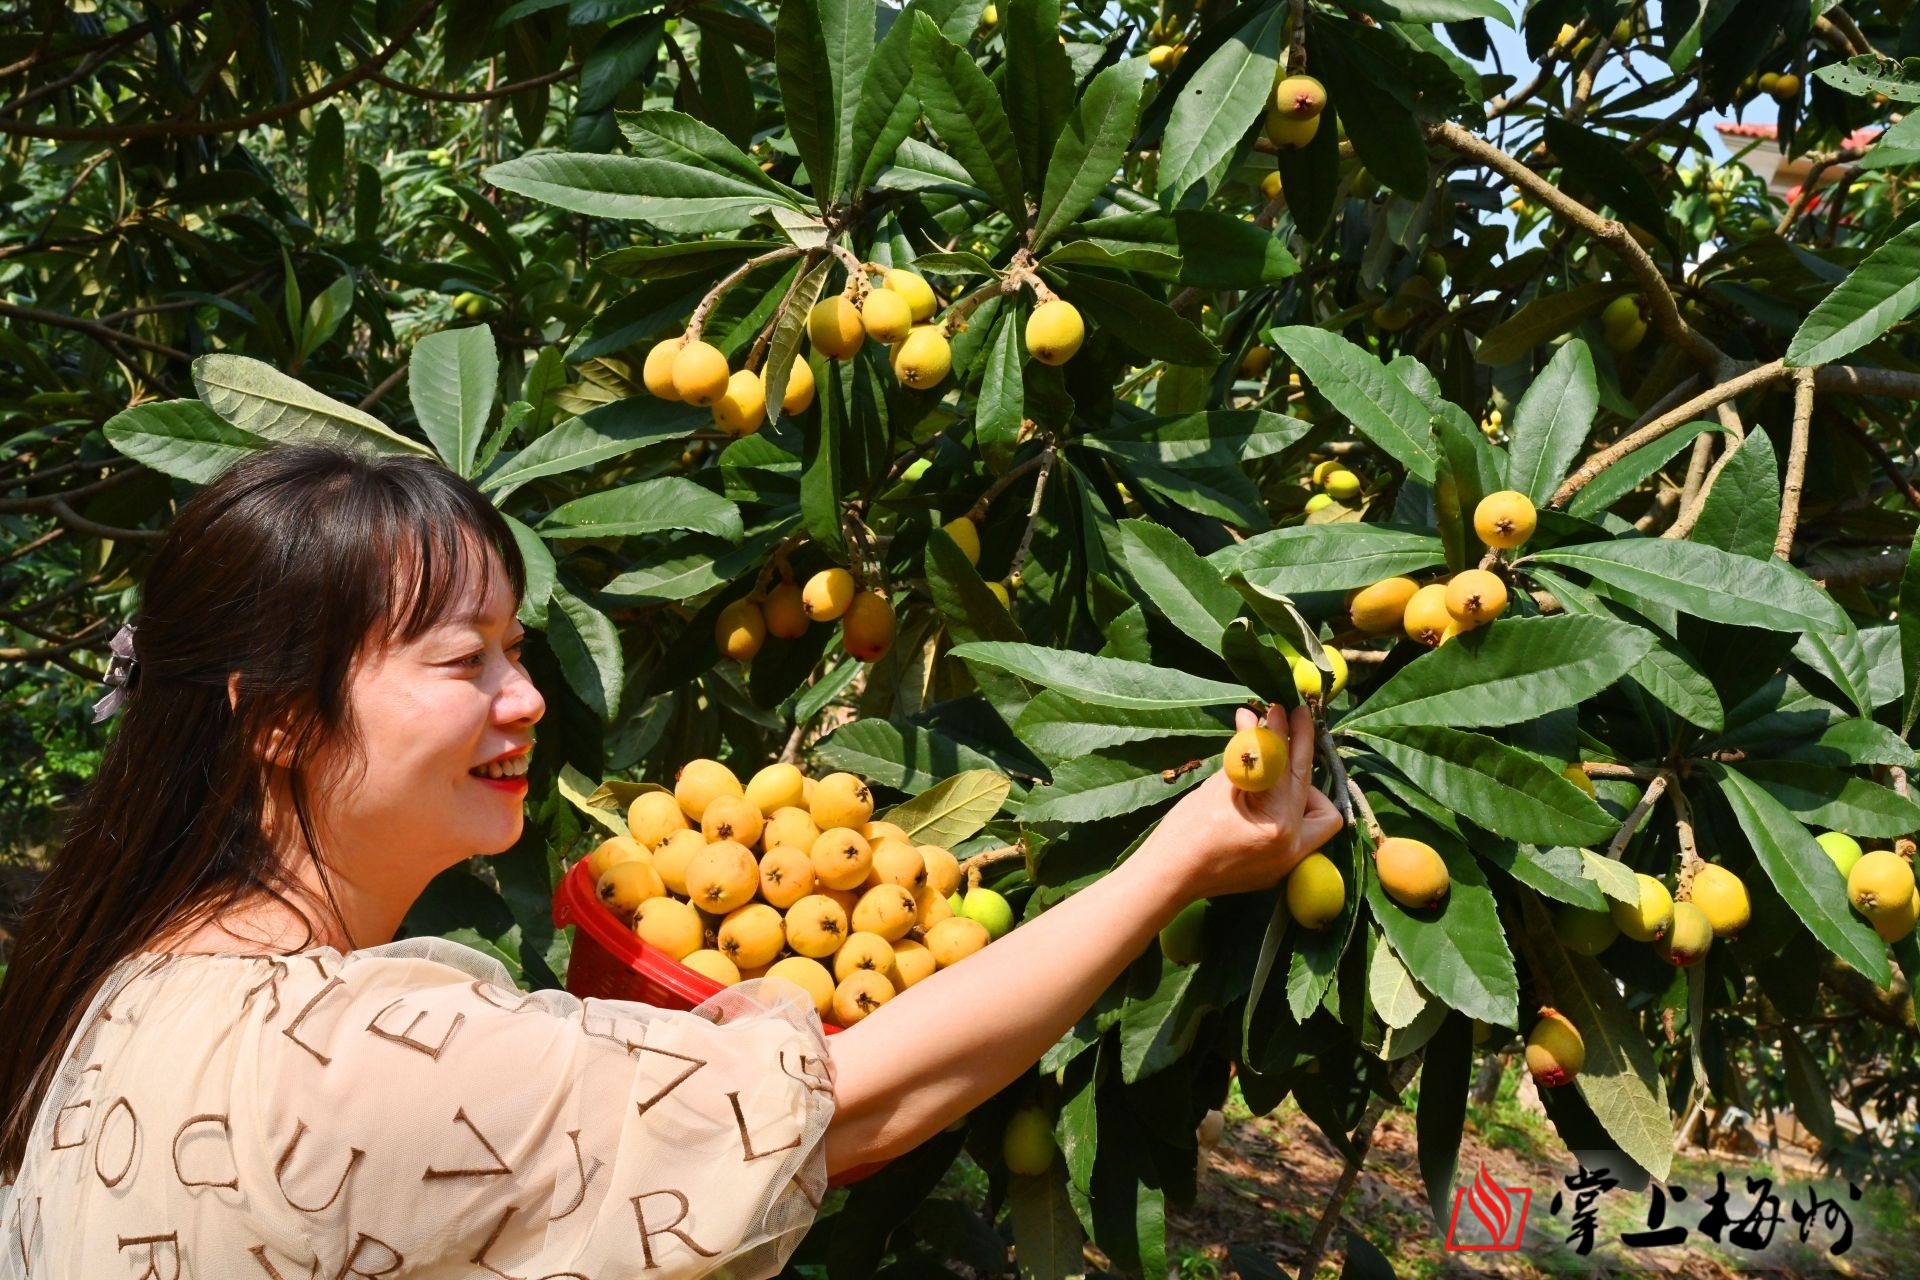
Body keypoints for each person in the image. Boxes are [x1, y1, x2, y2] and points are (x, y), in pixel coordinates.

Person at [0, 444, 1340, 1280]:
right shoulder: (376, 1052)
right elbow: (848, 1101)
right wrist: (1175, 864)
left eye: (518, 649)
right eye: (465, 661)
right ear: (280, 717)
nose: (526, 699)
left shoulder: (105, 997)